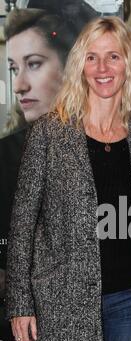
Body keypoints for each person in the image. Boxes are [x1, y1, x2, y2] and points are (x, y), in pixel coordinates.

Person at [5, 16, 131, 341]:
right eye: (92, 57)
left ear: (128, 65)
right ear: (79, 66)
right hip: (63, 307)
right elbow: (23, 223)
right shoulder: (50, 132)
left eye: (113, 56)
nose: (103, 67)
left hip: (128, 303)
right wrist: (20, 303)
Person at [0, 7, 83, 270]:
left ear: (70, 67)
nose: (19, 85)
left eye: (34, 64)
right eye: (14, 69)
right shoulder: (6, 155)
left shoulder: (104, 142)